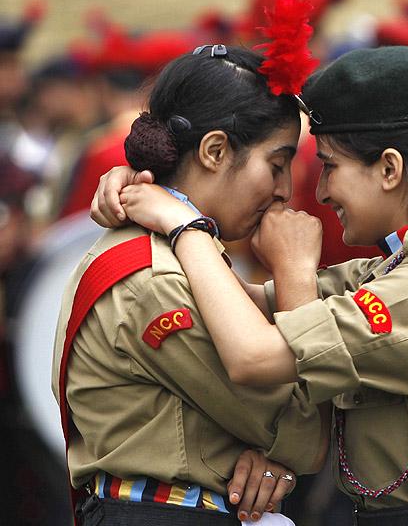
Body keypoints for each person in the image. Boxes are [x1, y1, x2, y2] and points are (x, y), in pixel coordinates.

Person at [94, 46, 408, 526]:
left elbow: (255, 354)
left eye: (330, 166)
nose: (320, 191)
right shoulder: (399, 268)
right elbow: (239, 305)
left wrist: (187, 225)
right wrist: (155, 182)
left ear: (390, 169)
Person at [52, 40, 330, 526]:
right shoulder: (157, 277)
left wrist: (268, 459)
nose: (285, 189)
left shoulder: (173, 254)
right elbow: (303, 431)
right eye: (277, 164)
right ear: (216, 150)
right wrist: (295, 274)